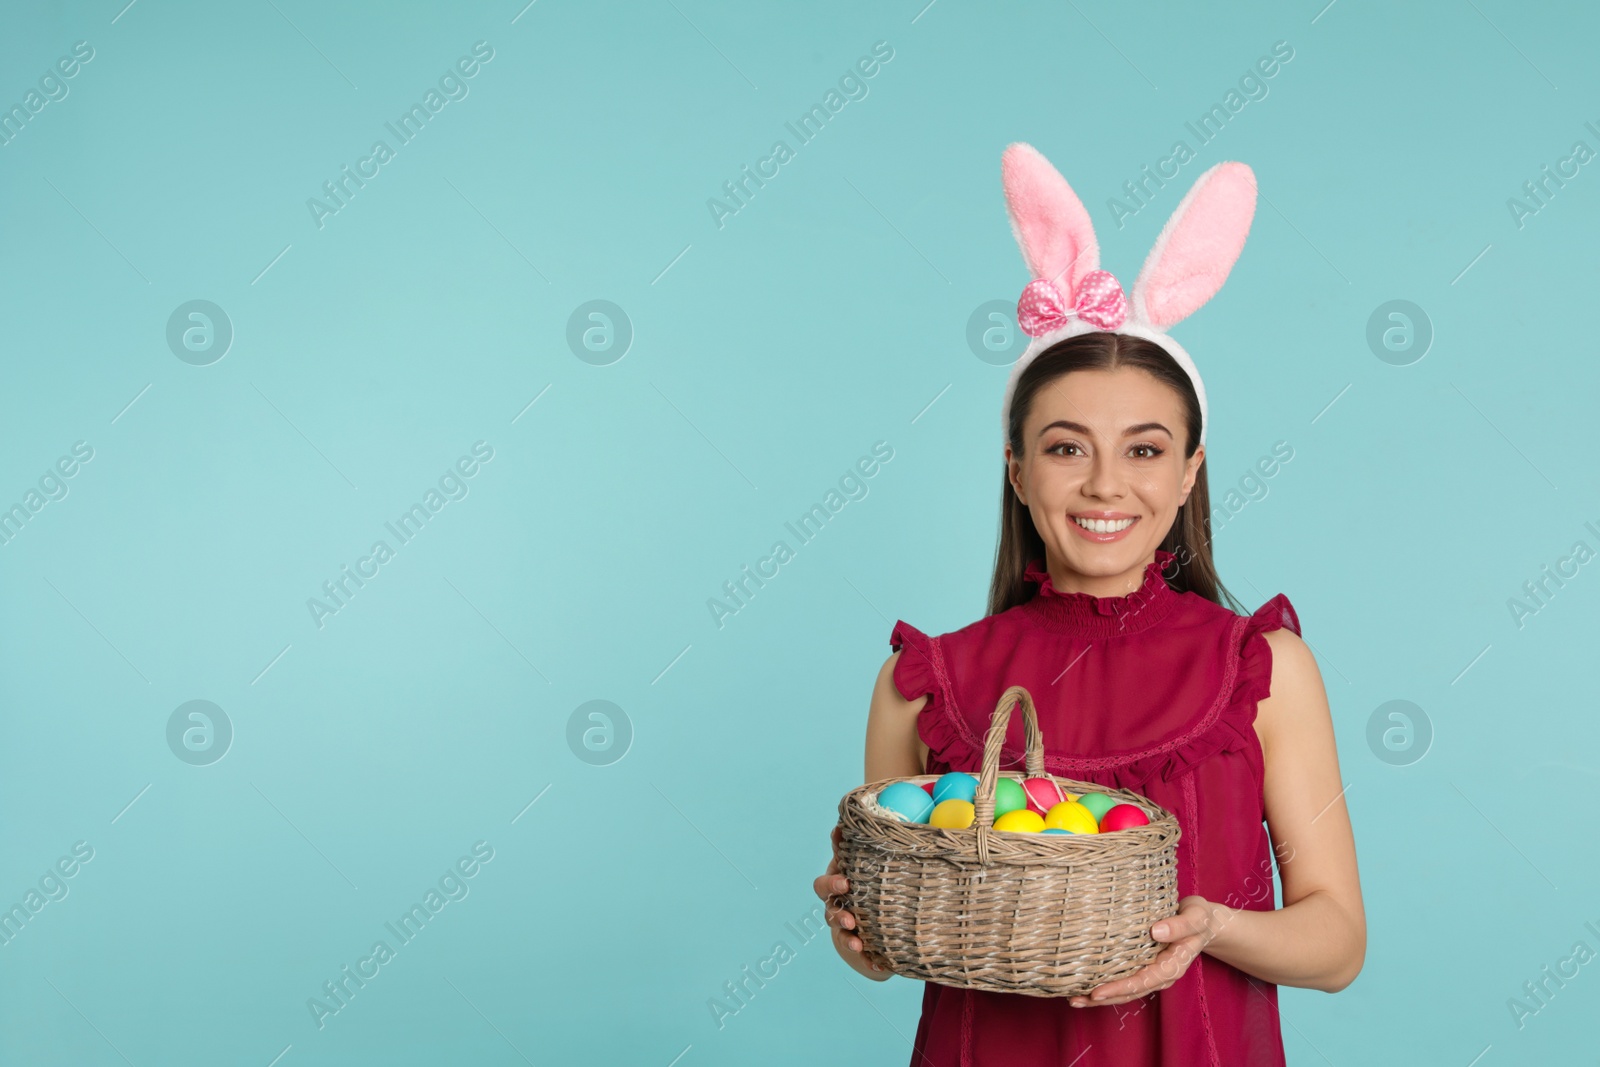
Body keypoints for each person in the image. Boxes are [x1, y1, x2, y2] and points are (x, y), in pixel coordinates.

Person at [813, 144, 1364, 1066]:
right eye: (1067, 448)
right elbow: (888, 952)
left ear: (1190, 472)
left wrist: (1210, 927)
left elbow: (1337, 941)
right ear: (1018, 469)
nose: (1106, 484)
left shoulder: (1260, 669)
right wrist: (856, 931)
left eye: (1145, 450)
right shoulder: (922, 686)